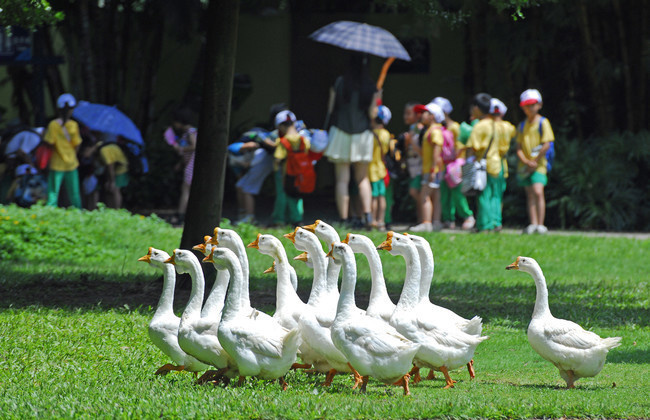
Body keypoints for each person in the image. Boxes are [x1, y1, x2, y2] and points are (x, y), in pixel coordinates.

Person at [324, 53, 379, 227]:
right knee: (362, 179)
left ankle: (344, 219)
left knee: (342, 180)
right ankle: (368, 217)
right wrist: (378, 97)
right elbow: (372, 114)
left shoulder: (340, 82)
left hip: (341, 132)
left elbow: (331, 108)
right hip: (362, 135)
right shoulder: (371, 86)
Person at [466, 93, 511, 232]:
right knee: (495, 195)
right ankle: (496, 222)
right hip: (498, 164)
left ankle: (484, 225)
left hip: (483, 165)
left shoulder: (480, 126)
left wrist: (467, 161)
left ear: (477, 108)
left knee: (484, 195)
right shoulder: (497, 125)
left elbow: (473, 147)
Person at [515, 89, 555, 234]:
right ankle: (533, 223)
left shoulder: (543, 122)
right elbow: (518, 147)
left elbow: (547, 143)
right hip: (525, 166)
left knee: (538, 191)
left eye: (532, 105)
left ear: (539, 105)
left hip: (539, 165)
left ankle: (541, 224)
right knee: (530, 193)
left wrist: (534, 161)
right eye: (526, 105)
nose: (529, 108)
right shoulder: (521, 125)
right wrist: (526, 161)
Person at [433, 97, 475, 230]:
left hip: (455, 165)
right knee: (444, 193)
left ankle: (467, 216)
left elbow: (461, 145)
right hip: (444, 165)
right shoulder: (440, 128)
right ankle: (448, 218)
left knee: (457, 192)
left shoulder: (456, 127)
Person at [43, 93, 83, 209]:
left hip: (56, 163)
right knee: (74, 193)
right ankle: (78, 214)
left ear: (58, 109)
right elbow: (77, 144)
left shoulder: (53, 125)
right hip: (71, 163)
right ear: (72, 109)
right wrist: (71, 154)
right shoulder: (73, 125)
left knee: (53, 193)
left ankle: (50, 213)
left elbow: (50, 143)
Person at [410, 102, 445, 232]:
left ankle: (426, 222)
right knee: (435, 195)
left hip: (431, 169)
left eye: (425, 113)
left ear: (432, 116)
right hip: (433, 168)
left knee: (424, 195)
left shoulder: (434, 131)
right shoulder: (431, 130)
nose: (421, 115)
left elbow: (436, 151)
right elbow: (426, 154)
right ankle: (435, 222)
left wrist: (432, 169)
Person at [230, 126, 276, 225]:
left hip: (263, 161)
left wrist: (247, 163)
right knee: (240, 186)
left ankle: (249, 218)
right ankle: (243, 216)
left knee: (247, 189)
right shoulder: (233, 160)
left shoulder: (234, 149)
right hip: (261, 162)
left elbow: (251, 145)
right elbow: (239, 176)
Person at [273, 110, 311, 226]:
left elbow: (278, 158)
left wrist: (275, 170)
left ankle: (279, 219)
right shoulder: (304, 140)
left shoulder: (283, 141)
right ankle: (297, 217)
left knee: (282, 194)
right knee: (297, 195)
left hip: (285, 173)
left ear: (280, 127)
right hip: (300, 173)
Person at [163, 107, 197, 224]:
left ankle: (180, 216)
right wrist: (180, 163)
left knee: (185, 190)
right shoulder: (187, 133)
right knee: (186, 190)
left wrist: (180, 149)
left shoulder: (190, 132)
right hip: (188, 164)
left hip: (192, 165)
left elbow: (194, 146)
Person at [368, 105, 391, 231]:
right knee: (382, 196)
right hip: (381, 169)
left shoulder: (369, 134)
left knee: (373, 197)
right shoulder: (386, 134)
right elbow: (386, 151)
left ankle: (373, 221)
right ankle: (381, 221)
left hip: (371, 169)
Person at [400, 101, 424, 223]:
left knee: (414, 191)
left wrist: (411, 142)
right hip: (412, 166)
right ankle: (420, 219)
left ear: (417, 115)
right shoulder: (411, 129)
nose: (405, 116)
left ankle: (423, 219)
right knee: (416, 193)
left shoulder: (420, 129)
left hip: (419, 165)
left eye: (408, 114)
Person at [97, 137, 130, 209]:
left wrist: (112, 181)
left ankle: (117, 209)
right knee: (110, 189)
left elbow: (110, 166)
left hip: (121, 168)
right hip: (117, 167)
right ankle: (112, 208)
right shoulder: (104, 147)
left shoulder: (103, 151)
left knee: (115, 189)